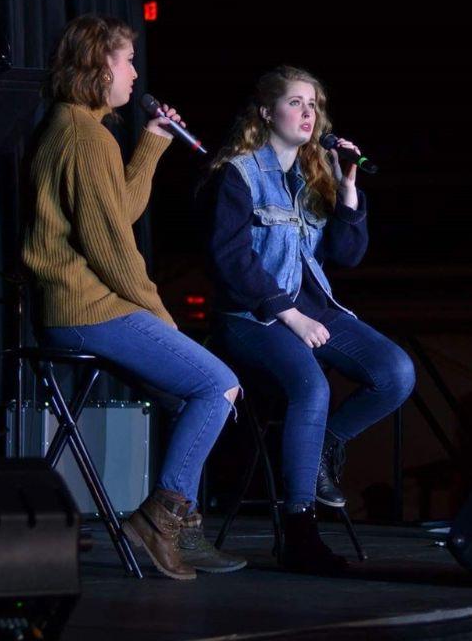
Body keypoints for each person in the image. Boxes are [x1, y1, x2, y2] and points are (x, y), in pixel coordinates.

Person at [22, 13, 245, 579]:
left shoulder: (77, 127)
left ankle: (180, 523)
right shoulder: (84, 137)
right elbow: (113, 250)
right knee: (217, 385)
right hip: (88, 310)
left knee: (186, 399)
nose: (134, 72)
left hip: (82, 307)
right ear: (98, 66)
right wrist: (159, 312)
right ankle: (159, 520)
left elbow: (116, 212)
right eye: (125, 60)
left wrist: (151, 143)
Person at [204, 66, 414, 572]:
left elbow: (347, 254)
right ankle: (299, 531)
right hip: (252, 316)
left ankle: (321, 448)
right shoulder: (238, 172)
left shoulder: (312, 173)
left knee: (395, 373)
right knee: (312, 387)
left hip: (314, 309)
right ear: (265, 112)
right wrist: (289, 315)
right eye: (296, 102)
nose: (307, 113)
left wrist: (348, 188)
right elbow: (231, 262)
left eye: (313, 105)